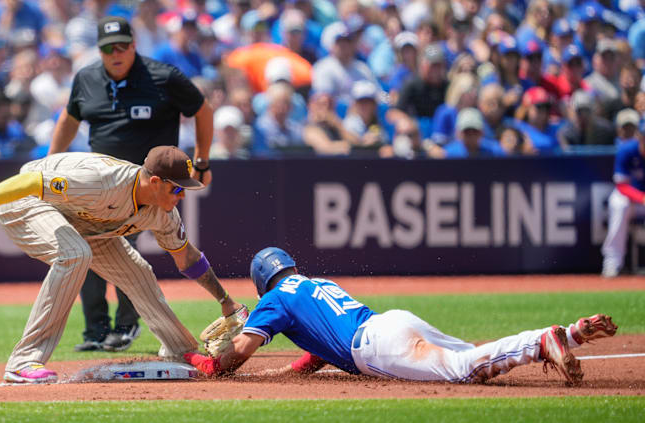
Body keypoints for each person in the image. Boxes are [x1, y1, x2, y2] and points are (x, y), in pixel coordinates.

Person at [0, 146, 244, 383]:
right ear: (154, 181)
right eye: (177, 188)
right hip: (28, 203)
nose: (181, 195)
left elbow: (186, 256)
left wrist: (225, 301)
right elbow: (27, 182)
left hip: (85, 220)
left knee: (138, 272)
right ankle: (23, 361)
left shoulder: (163, 212)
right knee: (74, 254)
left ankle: (178, 349)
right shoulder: (101, 182)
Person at [183, 247, 617, 385]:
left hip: (375, 346)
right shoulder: (316, 285)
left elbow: (234, 356)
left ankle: (545, 340)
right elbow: (317, 354)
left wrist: (204, 363)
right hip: (392, 323)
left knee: (465, 370)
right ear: (290, 266)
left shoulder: (274, 299)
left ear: (263, 282)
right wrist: (285, 373)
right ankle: (569, 336)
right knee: (472, 354)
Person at [48, 16, 216, 353]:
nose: (116, 53)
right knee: (88, 248)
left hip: (148, 185)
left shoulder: (163, 77)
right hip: (100, 184)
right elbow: (69, 117)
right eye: (108, 48)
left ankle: (126, 326)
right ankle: (96, 330)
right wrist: (50, 163)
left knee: (124, 249)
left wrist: (201, 161)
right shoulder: (87, 78)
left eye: (122, 45)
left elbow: (202, 110)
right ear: (100, 51)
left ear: (134, 46)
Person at [601, 120, 645, 278]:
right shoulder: (627, 150)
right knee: (618, 204)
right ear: (639, 136)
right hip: (631, 198)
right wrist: (641, 197)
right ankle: (612, 262)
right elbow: (621, 185)